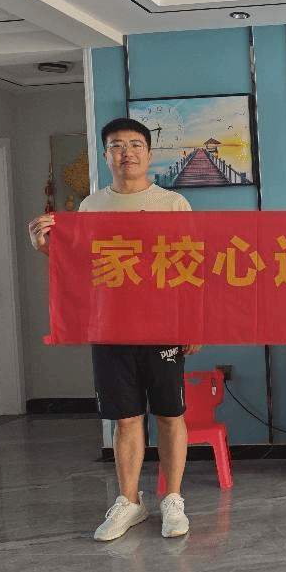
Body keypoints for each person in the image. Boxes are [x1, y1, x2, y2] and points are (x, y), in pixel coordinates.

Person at [28, 117, 201, 541]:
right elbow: (82, 268)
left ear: (149, 153)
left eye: (136, 144)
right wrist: (46, 248)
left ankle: (172, 499)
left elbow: (190, 268)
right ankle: (129, 501)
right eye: (118, 146)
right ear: (106, 156)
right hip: (111, 327)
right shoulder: (91, 207)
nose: (128, 153)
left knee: (170, 415)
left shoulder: (173, 204)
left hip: (163, 327)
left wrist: (194, 324)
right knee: (125, 420)